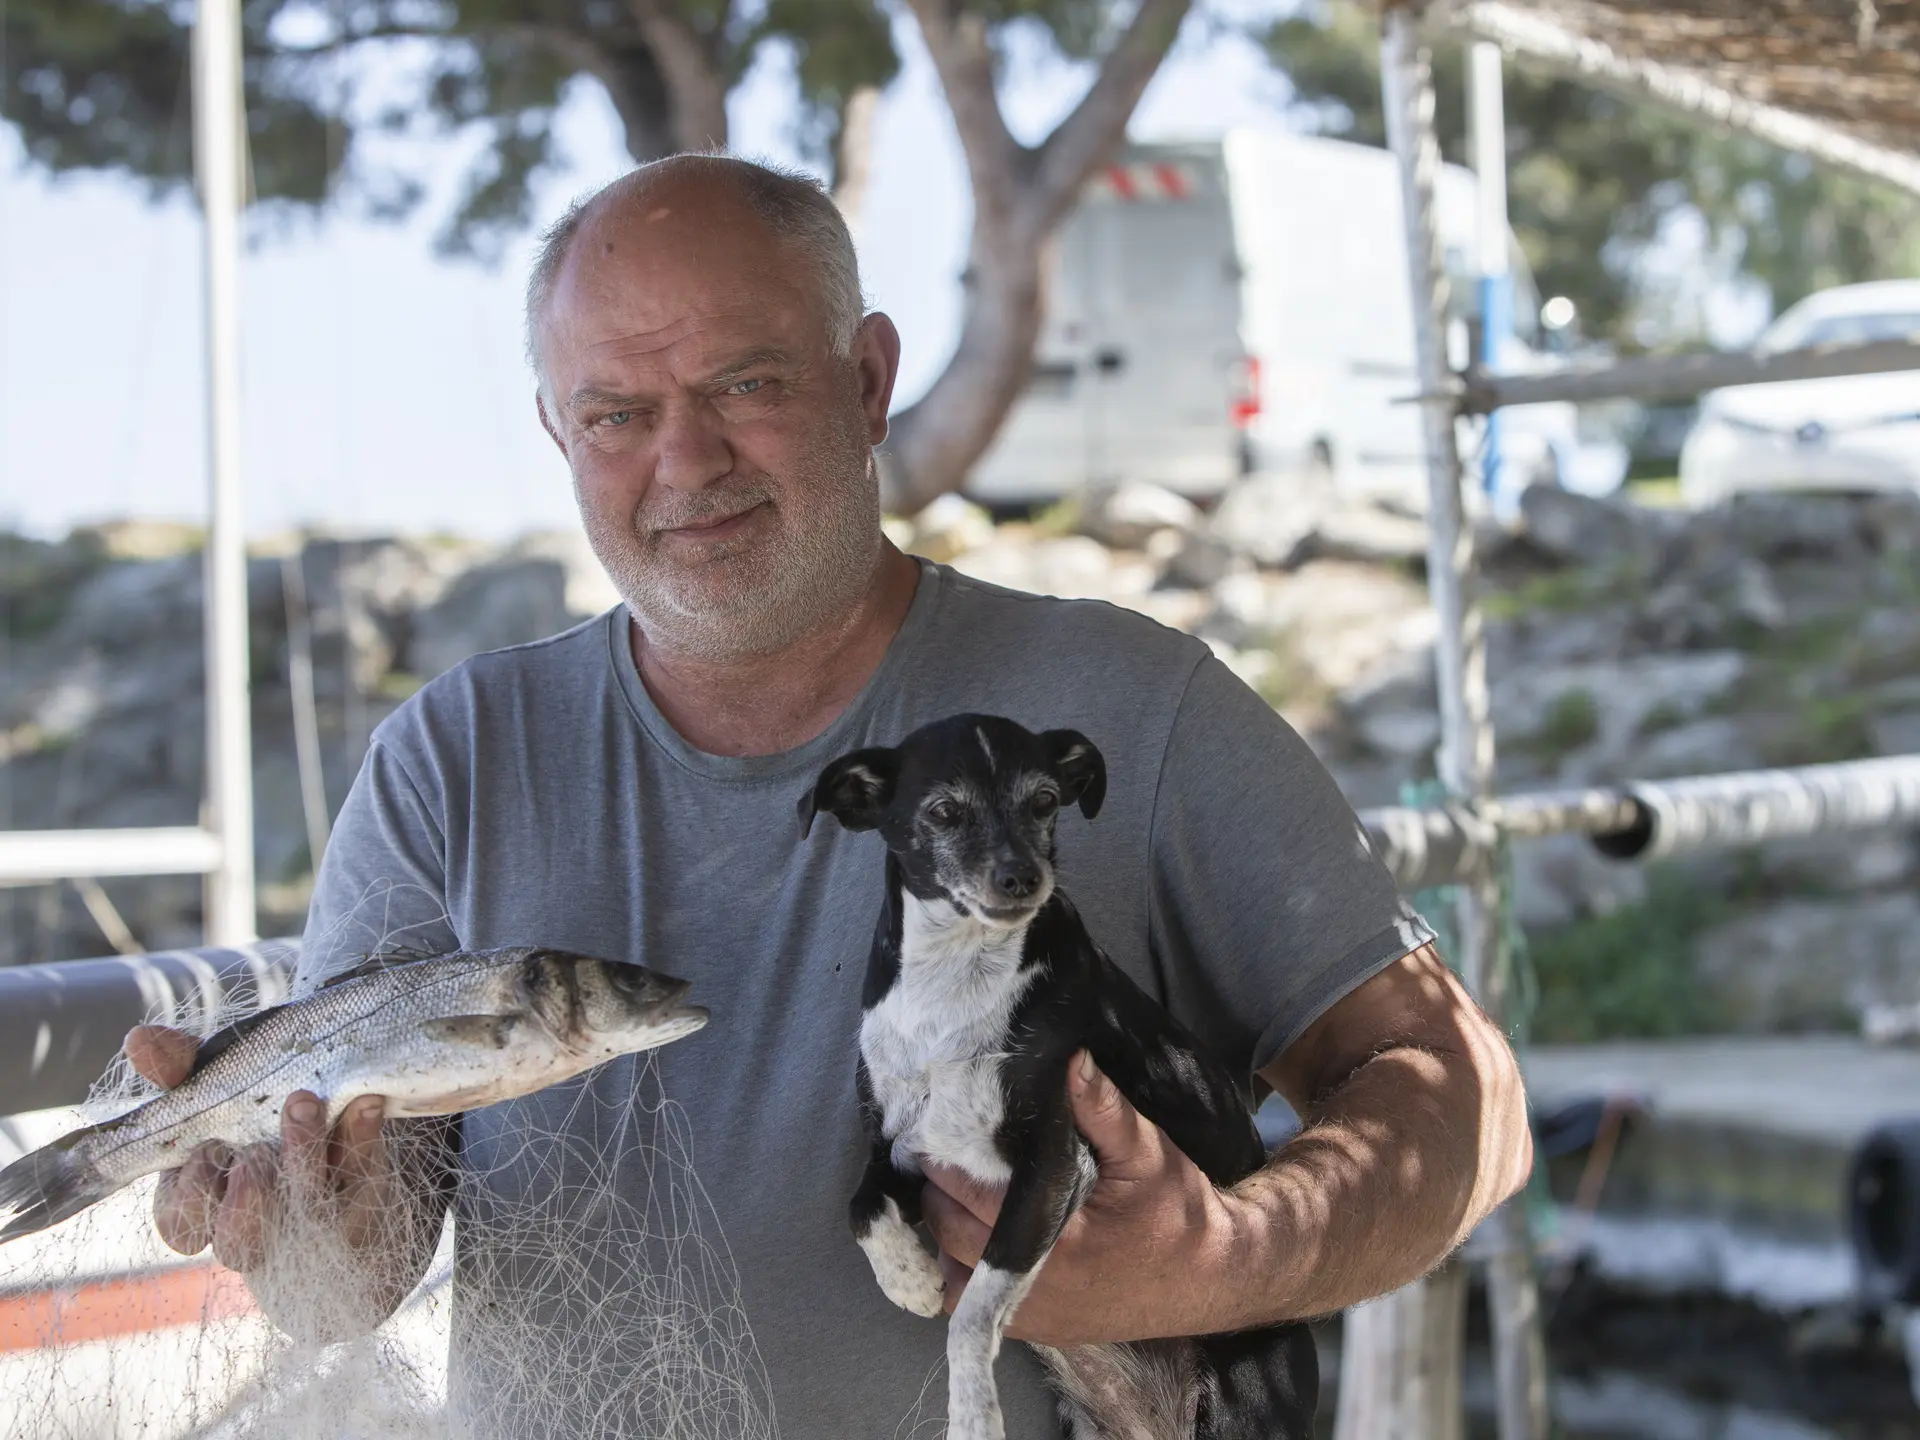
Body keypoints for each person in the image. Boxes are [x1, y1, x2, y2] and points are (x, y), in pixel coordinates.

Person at [126, 154, 1531, 1435]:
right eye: (617, 412)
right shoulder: (451, 758)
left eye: (745, 384)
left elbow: (1468, 1098)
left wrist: (1224, 1257)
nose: (686, 464)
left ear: (867, 380)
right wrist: (296, 1223)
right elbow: (351, 1272)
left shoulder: (1131, 705)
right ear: (557, 434)